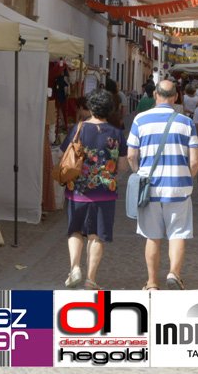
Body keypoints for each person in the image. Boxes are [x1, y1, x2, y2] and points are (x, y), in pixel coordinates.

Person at [127, 80, 198, 291]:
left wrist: (139, 173)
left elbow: (131, 155)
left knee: (152, 236)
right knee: (178, 233)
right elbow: (195, 161)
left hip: (149, 188)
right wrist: (187, 177)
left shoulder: (140, 120)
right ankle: (174, 274)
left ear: (155, 95)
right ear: (176, 97)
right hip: (178, 187)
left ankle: (152, 282)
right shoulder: (186, 123)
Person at [60, 89, 129, 289]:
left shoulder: (78, 129)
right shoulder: (116, 133)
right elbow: (123, 166)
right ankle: (90, 279)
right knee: (96, 235)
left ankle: (75, 268)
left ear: (90, 107)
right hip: (105, 192)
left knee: (75, 231)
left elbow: (65, 155)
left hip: (78, 191)